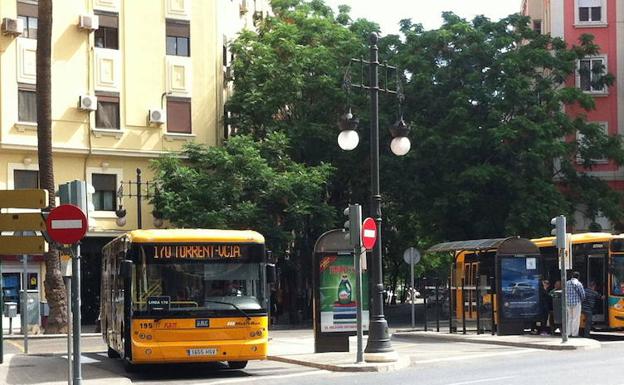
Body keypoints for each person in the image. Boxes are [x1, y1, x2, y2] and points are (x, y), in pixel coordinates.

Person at [566, 271, 585, 337]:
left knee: (569, 318)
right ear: (578, 277)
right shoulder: (579, 284)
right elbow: (582, 294)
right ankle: (574, 334)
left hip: (568, 303)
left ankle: (568, 333)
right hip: (576, 303)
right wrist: (582, 300)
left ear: (572, 276)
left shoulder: (567, 283)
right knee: (576, 318)